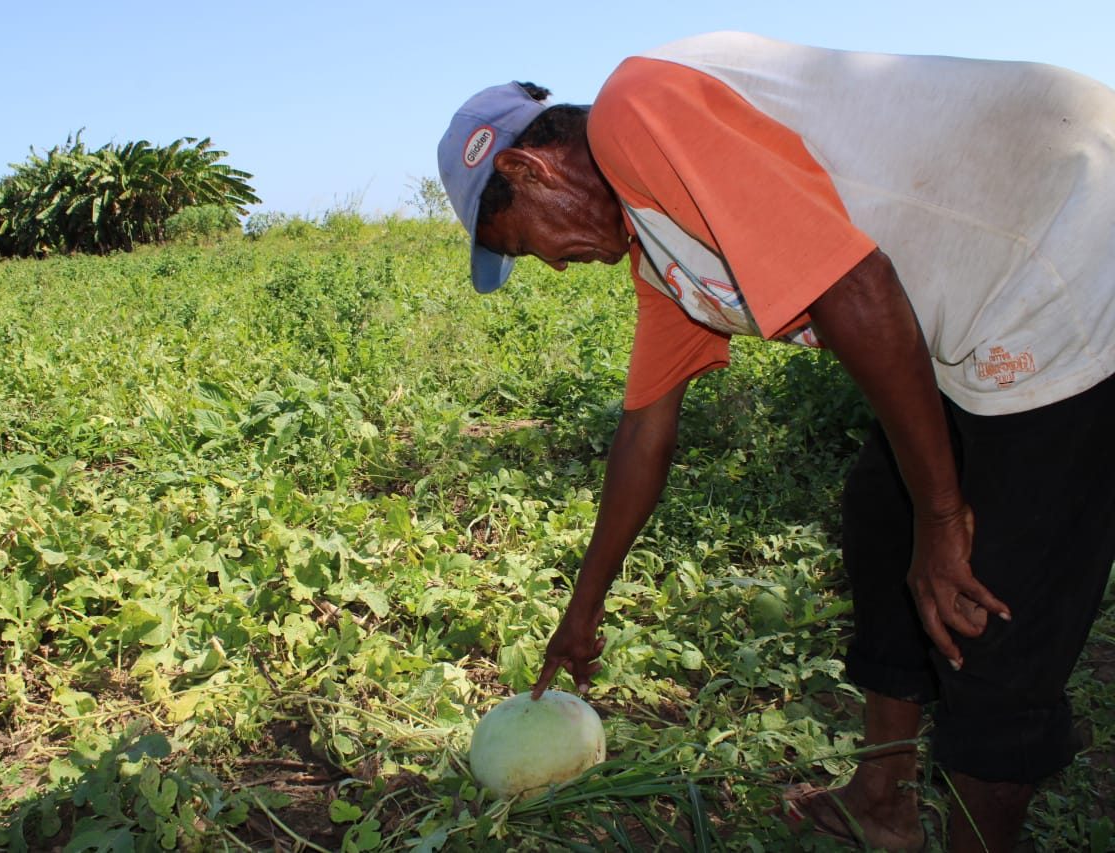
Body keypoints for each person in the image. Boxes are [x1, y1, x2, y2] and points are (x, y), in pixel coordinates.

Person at [436, 32, 1115, 853]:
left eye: (520, 244)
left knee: (987, 599)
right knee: (880, 516)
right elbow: (646, 428)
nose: (548, 266)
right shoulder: (661, 253)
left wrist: (942, 515)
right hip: (981, 305)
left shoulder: (637, 109)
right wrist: (582, 613)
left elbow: (854, 285)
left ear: (529, 172)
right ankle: (883, 799)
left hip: (1069, 244)